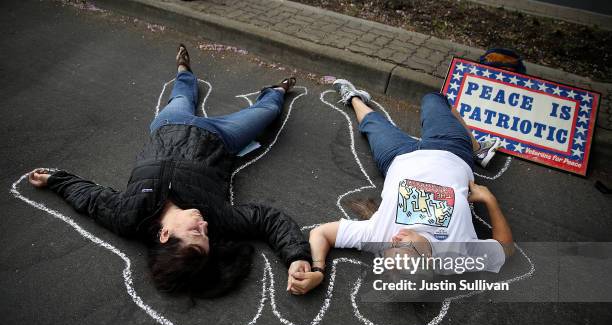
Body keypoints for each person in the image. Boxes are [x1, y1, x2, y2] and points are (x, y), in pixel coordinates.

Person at [29, 44, 311, 298]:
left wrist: (56, 180)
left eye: (196, 232)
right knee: (268, 113)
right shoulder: (218, 217)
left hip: (169, 126)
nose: (205, 226)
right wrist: (296, 256)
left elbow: (90, 198)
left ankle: (184, 70)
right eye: (206, 235)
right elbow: (267, 219)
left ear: (165, 235)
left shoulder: (128, 216)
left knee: (180, 97)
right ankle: (276, 90)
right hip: (220, 136)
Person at [287, 79, 513, 295]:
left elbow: (321, 233)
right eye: (404, 246)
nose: (395, 239)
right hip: (450, 151)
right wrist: (489, 200)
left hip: (397, 157)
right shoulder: (456, 255)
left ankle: (354, 97)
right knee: (433, 99)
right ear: (429, 261)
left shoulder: (379, 237)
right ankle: (478, 148)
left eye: (388, 251)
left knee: (371, 124)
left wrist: (317, 270)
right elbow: (505, 250)